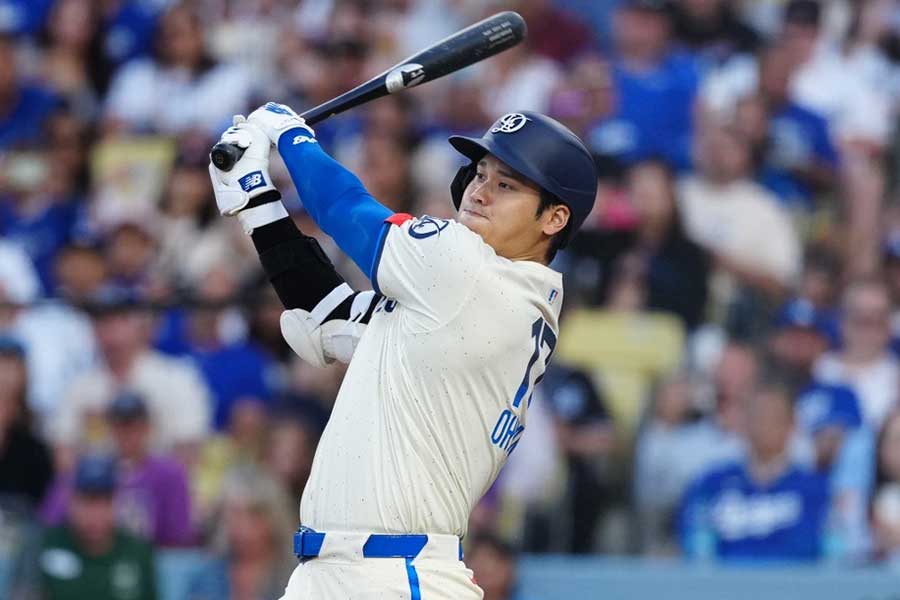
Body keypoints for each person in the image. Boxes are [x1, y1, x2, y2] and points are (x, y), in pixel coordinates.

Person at [207, 101, 598, 598]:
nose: (480, 192)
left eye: (507, 185)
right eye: (481, 174)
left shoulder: (469, 270)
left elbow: (346, 211)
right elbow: (327, 313)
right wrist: (256, 201)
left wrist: (290, 136)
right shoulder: (482, 299)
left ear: (555, 217)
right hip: (347, 572)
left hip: (393, 575)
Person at [679, 380, 830, 562]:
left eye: (773, 417)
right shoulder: (711, 484)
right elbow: (695, 546)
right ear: (744, 421)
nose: (763, 425)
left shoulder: (816, 490)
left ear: (792, 423)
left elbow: (824, 552)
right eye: (757, 416)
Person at [41, 392, 194, 547]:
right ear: (109, 428)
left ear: (148, 428)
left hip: (153, 559)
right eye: (119, 425)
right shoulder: (85, 471)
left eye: (133, 426)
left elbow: (178, 535)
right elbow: (51, 522)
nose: (126, 433)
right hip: (91, 559)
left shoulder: (170, 474)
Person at [25, 454, 157, 600]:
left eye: (104, 501)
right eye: (87, 501)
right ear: (71, 502)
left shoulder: (138, 552)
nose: (95, 514)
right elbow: (22, 593)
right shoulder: (43, 544)